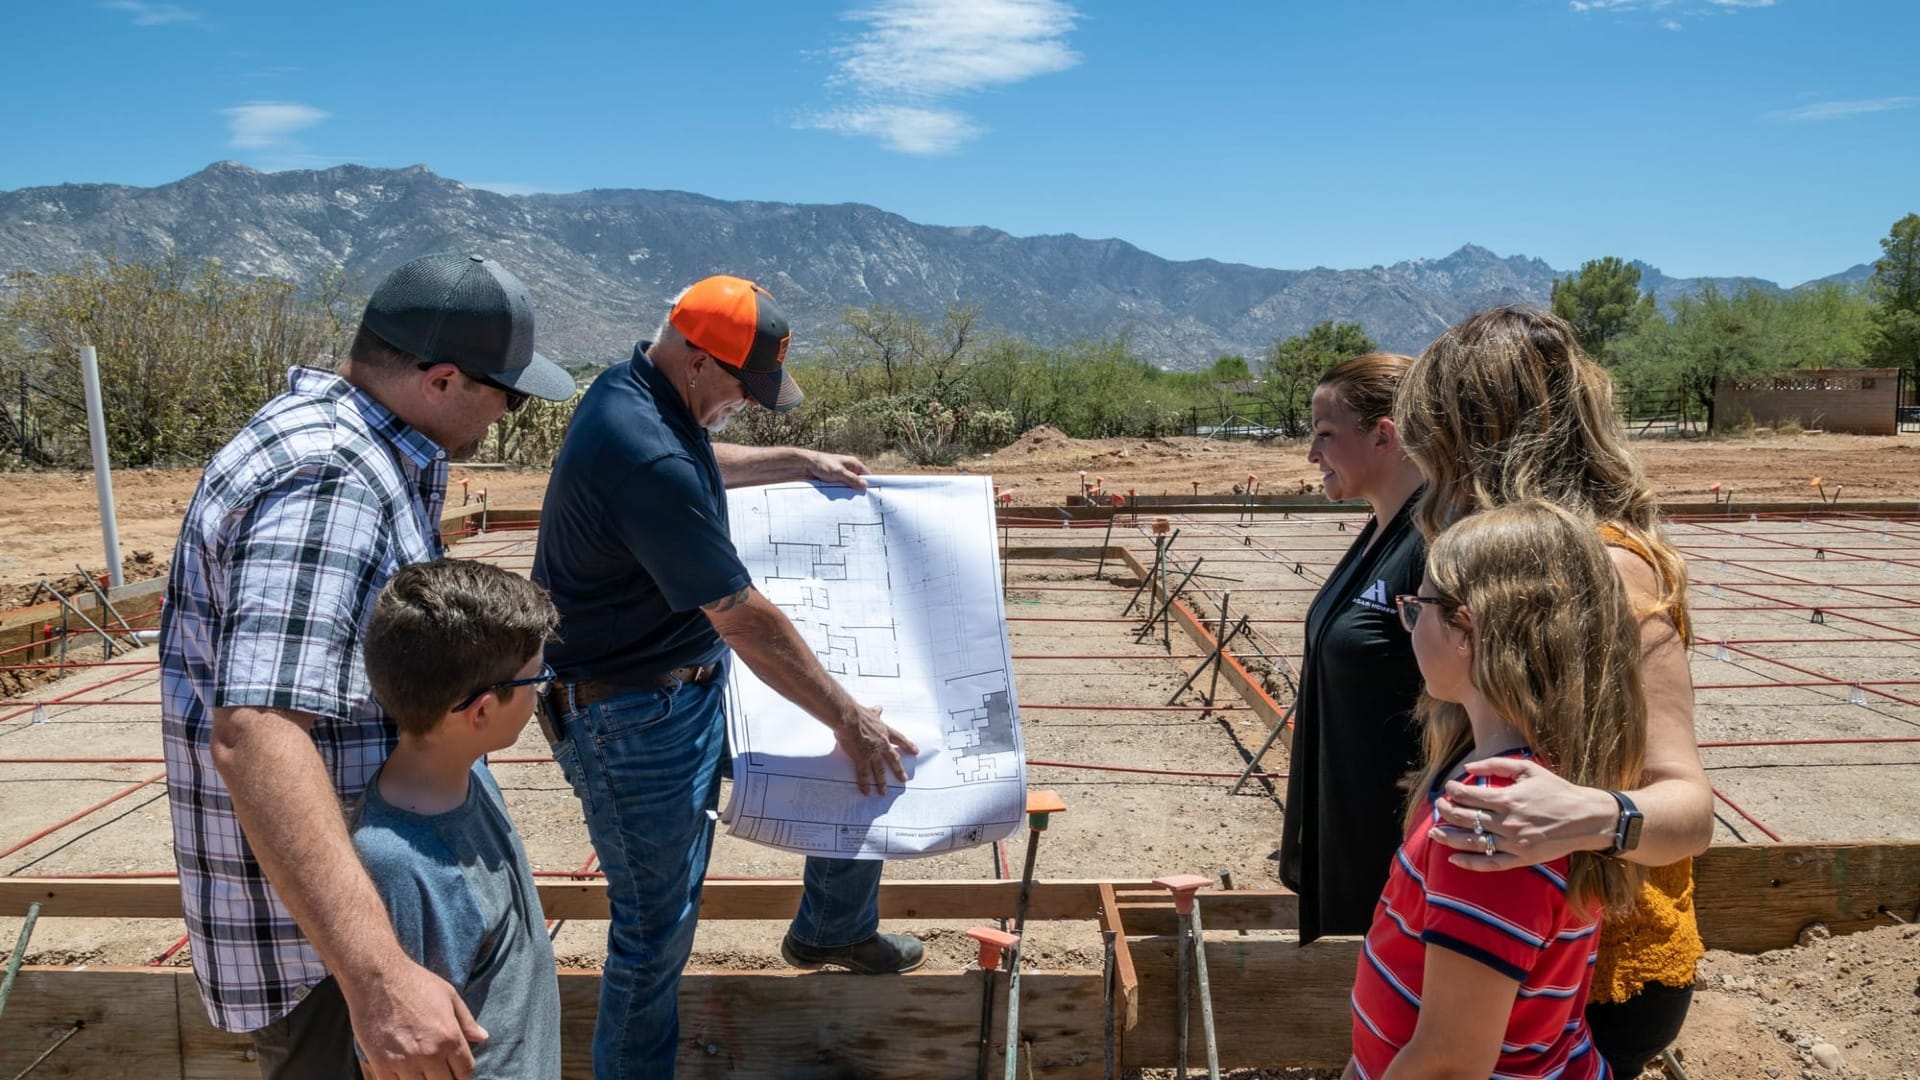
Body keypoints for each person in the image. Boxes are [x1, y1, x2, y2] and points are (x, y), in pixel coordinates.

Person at [160, 252, 576, 1080]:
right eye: (509, 393)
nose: (507, 415)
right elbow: (259, 732)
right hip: (335, 958)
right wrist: (379, 981)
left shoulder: (346, 447)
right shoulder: (333, 476)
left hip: (349, 935)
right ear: (444, 379)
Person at [530, 275, 924, 1077]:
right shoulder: (642, 452)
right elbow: (742, 615)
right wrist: (848, 715)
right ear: (699, 359)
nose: (747, 403)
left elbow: (701, 455)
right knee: (654, 928)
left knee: (845, 768)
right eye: (746, 389)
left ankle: (832, 927)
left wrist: (792, 458)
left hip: (689, 684)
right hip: (629, 718)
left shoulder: (637, 392)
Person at [1393, 305, 1713, 1078]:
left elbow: (1689, 808)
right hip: (1511, 956)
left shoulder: (1610, 570)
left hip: (1590, 970)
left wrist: (1593, 814)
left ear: (1475, 437)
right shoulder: (1502, 556)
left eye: (1434, 446)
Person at [1347, 500, 1646, 1080]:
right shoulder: (1537, 776)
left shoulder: (1493, 811)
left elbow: (1451, 1061)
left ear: (1467, 628)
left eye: (1418, 607)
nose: (1408, 623)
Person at [352, 559, 562, 1078]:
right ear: (482, 713)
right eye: (537, 675)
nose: (543, 689)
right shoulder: (400, 866)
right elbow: (396, 1060)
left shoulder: (469, 777)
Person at [1278, 353, 1430, 943]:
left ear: (1383, 435)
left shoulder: (1434, 547)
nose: (1312, 455)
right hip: (1345, 840)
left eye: (1324, 435)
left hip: (1392, 855)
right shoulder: (1378, 533)